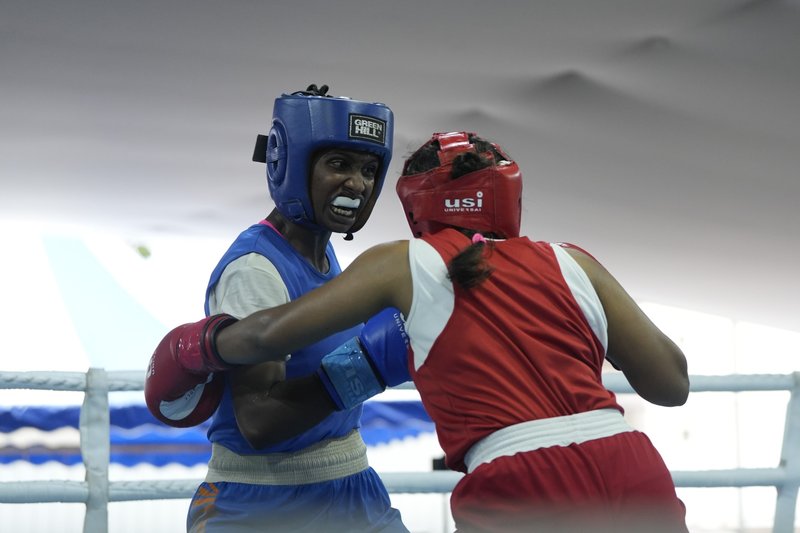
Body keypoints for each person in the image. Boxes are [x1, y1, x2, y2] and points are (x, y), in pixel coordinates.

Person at [152, 131, 690, 532]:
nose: (357, 184)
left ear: (416, 202)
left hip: (522, 481)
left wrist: (196, 347)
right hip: (631, 466)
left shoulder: (401, 264)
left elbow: (266, 335)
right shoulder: (571, 260)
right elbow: (672, 384)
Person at [145, 84, 409, 532]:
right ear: (292, 165)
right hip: (265, 502)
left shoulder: (324, 257)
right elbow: (259, 422)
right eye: (338, 164)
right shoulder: (257, 267)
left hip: (351, 484)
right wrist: (370, 366)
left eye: (368, 168)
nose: (357, 184)